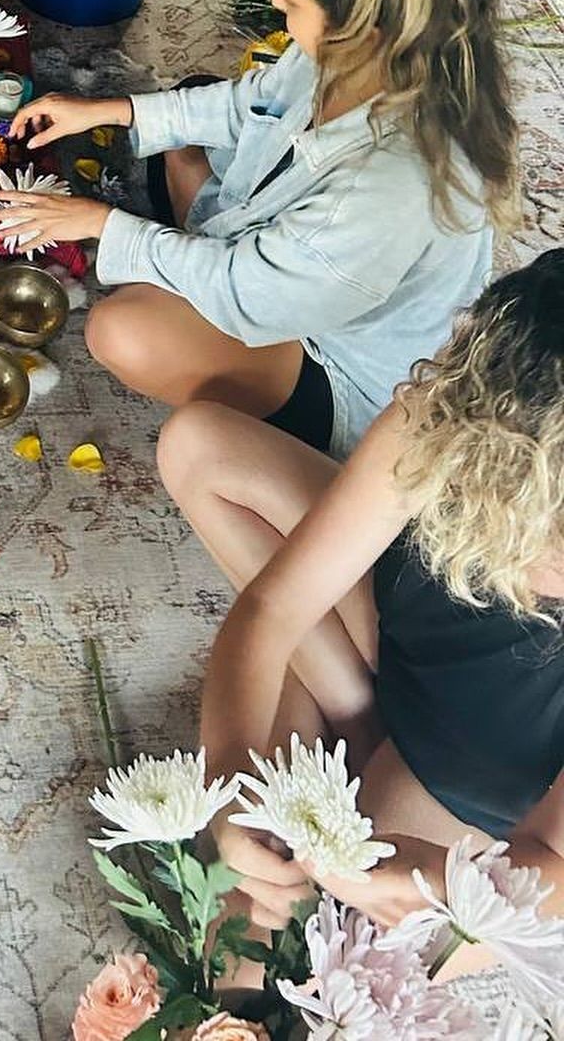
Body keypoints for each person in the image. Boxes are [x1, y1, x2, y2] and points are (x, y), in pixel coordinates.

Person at [0, 0, 518, 454]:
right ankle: (184, 261)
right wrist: (108, 109)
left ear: (360, 27)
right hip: (279, 256)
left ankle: (201, 302)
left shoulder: (390, 187)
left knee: (122, 332)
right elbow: (250, 105)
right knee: (185, 108)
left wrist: (101, 223)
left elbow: (250, 294)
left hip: (331, 357)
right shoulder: (366, 52)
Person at [163, 251, 564, 950]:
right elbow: (272, 609)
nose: (517, 552)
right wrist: (225, 776)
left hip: (484, 758)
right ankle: (354, 710)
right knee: (198, 446)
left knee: (301, 955)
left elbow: (552, 862)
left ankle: (356, 726)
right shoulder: (453, 414)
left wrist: (439, 879)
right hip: (412, 622)